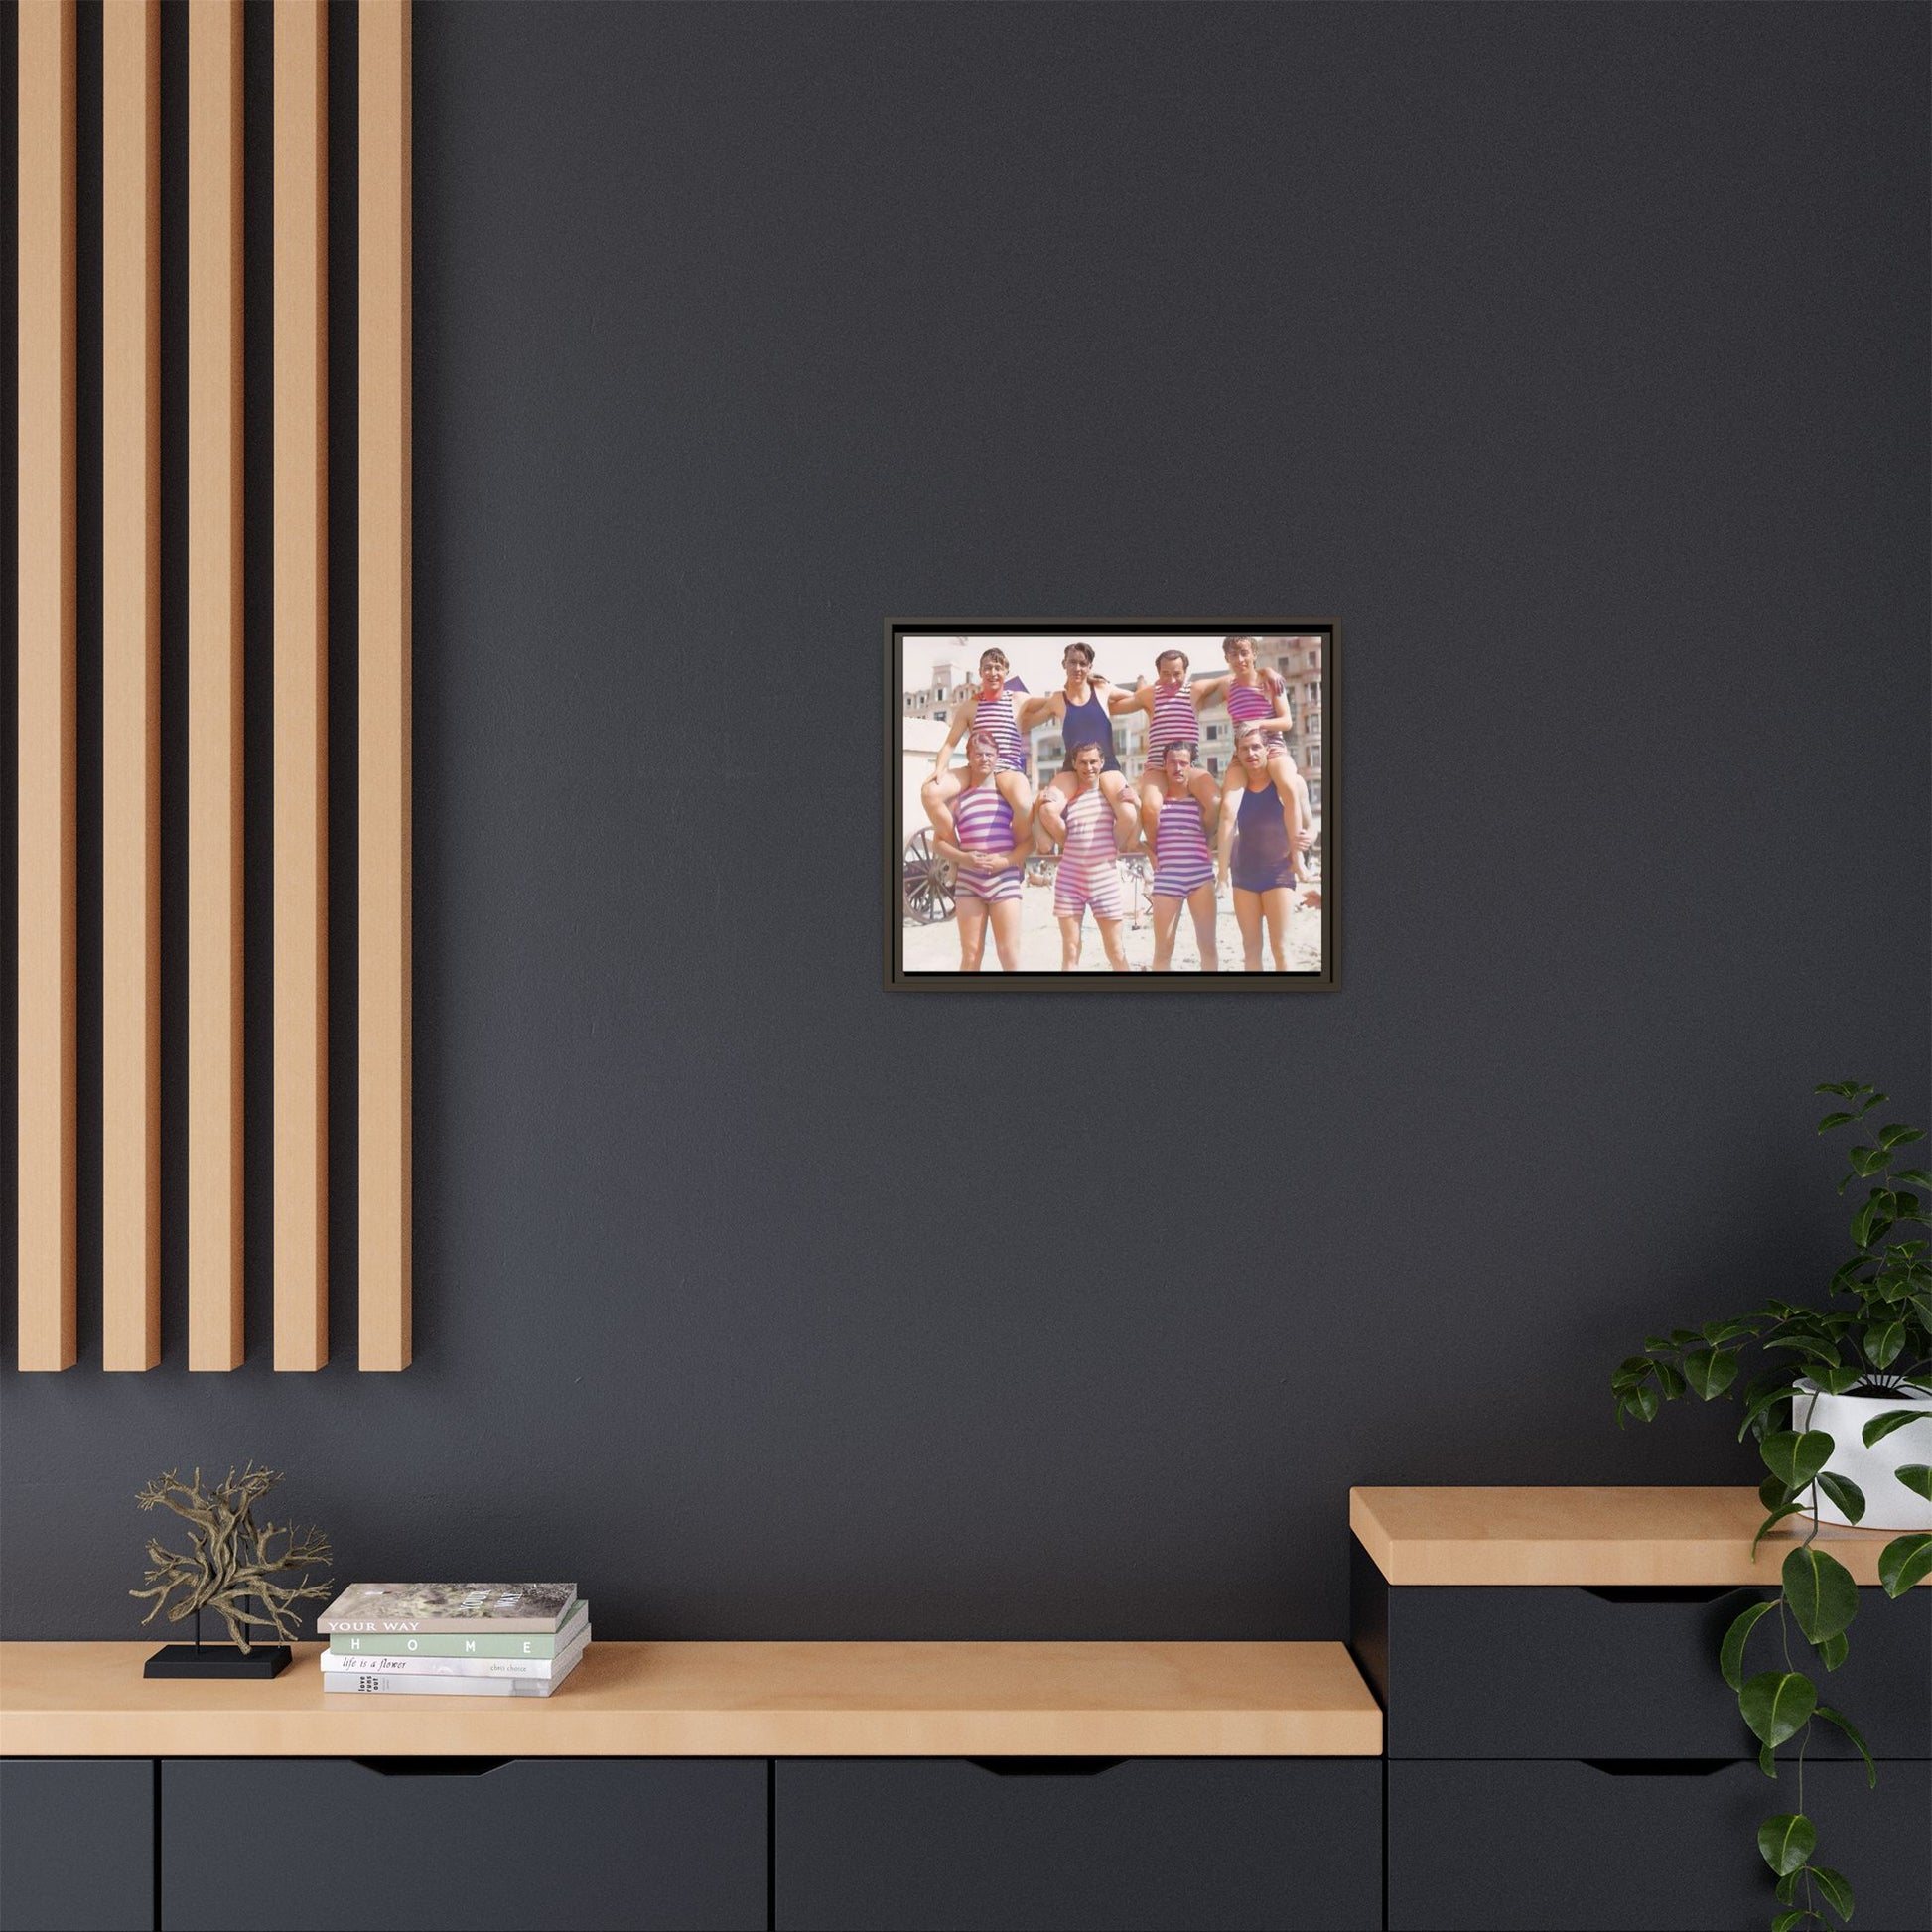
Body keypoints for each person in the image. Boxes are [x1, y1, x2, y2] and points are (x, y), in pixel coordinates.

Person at [932, 728, 1034, 972]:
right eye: (978, 754)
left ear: (997, 757)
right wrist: (963, 857)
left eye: (989, 754)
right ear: (969, 757)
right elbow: (938, 843)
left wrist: (1005, 861)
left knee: (1008, 954)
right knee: (971, 955)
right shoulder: (956, 799)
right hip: (969, 883)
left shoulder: (1008, 795)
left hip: (1004, 880)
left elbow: (1030, 843)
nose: (984, 759)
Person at [1036, 740, 1139, 971]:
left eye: (1093, 761)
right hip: (1070, 881)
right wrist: (1038, 806)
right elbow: (1045, 842)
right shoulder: (1066, 799)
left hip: (1105, 880)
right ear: (1074, 763)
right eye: (1082, 762)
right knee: (1071, 949)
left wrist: (1138, 802)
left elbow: (1129, 831)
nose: (1088, 767)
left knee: (1115, 950)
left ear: (1102, 762)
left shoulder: (1111, 798)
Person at [920, 646, 1034, 846]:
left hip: (1006, 768)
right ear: (980, 672)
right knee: (930, 793)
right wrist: (940, 769)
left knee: (1024, 806)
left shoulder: (1017, 700)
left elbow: (1052, 704)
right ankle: (956, 850)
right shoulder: (970, 706)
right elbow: (949, 744)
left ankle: (1017, 855)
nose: (992, 673)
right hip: (975, 767)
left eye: (997, 668)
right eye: (987, 668)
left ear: (1006, 671)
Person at [1018, 641, 1122, 851]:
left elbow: (1136, 698)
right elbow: (1027, 723)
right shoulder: (1058, 699)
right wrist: (1015, 701)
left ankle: (1110, 853)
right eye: (1072, 663)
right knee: (1046, 810)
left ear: (1090, 666)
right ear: (1064, 664)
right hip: (1072, 768)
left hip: (1107, 766)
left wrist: (1099, 682)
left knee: (1128, 812)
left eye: (1083, 664)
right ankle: (1075, 851)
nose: (1077, 668)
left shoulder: (1102, 689)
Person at [1217, 722, 1302, 970]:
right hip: (1245, 875)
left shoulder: (1283, 783)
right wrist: (1223, 875)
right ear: (1237, 754)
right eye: (1244, 749)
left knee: (1280, 948)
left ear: (1267, 749)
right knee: (1251, 949)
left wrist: (1299, 854)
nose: (1251, 753)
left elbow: (1304, 820)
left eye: (1256, 747)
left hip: (1278, 872)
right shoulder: (1236, 788)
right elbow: (1226, 820)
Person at [1143, 742, 1221, 972]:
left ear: (1191, 767)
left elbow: (1223, 827)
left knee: (1208, 947)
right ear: (1164, 766)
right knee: (1163, 950)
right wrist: (1150, 854)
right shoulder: (1154, 804)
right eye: (1173, 763)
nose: (1178, 768)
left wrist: (1211, 846)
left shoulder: (1201, 804)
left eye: (1183, 763)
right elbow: (1134, 840)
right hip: (1167, 880)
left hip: (1201, 878)